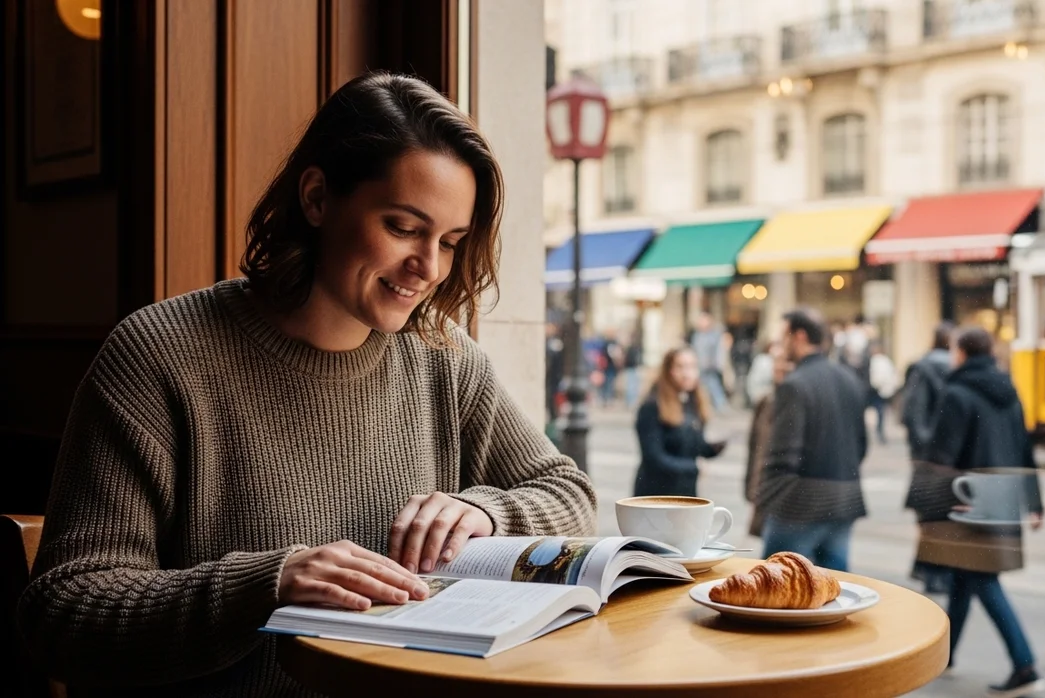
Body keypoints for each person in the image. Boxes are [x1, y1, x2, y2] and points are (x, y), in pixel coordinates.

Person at [16, 72, 598, 695]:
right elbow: (62, 612)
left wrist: (485, 511)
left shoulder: (444, 358)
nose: (428, 268)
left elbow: (571, 495)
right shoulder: (159, 357)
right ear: (318, 198)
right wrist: (265, 585)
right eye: (403, 228)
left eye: (450, 242)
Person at [920, 326, 1045, 698]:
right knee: (964, 578)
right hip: (1002, 497)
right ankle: (945, 656)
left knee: (983, 580)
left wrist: (929, 506)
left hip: (968, 501)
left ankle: (1025, 666)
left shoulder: (956, 392)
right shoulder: (1009, 391)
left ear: (961, 353)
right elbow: (1024, 449)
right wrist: (1035, 502)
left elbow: (942, 458)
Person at [756, 309, 870, 572]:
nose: (780, 343)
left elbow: (782, 455)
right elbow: (861, 444)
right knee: (833, 585)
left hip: (800, 505)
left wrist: (767, 498)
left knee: (777, 583)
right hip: (844, 499)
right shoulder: (849, 379)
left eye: (783, 336)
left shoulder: (794, 384)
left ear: (799, 336)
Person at [901, 321, 956, 595]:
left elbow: (912, 413)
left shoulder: (923, 368)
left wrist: (923, 449)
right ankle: (932, 568)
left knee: (930, 515)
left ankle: (929, 570)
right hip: (952, 455)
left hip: (929, 458)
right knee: (945, 515)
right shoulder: (957, 369)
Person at [632, 347, 726, 497]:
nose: (687, 373)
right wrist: (693, 468)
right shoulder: (653, 406)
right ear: (669, 370)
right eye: (681, 367)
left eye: (692, 366)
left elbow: (692, 445)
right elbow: (654, 457)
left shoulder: (693, 402)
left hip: (685, 491)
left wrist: (713, 448)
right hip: (656, 493)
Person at [745, 343, 794, 538]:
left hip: (788, 499)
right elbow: (754, 448)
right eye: (777, 361)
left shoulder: (800, 403)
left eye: (787, 362)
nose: (780, 367)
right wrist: (751, 488)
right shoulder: (766, 401)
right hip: (764, 490)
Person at [690, 312, 729, 411]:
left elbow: (718, 351)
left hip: (710, 366)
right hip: (699, 365)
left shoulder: (714, 335)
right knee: (702, 385)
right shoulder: (697, 335)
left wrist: (717, 364)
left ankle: (720, 404)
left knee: (713, 384)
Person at [867, 341, 898, 445]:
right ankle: (879, 432)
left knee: (879, 412)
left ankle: (879, 432)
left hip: (878, 390)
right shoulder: (884, 361)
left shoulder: (878, 361)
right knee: (880, 412)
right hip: (881, 390)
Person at [545, 321, 565, 431]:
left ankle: (553, 424)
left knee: (553, 400)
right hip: (549, 379)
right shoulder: (547, 342)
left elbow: (557, 362)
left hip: (554, 378)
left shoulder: (556, 343)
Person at [622, 333, 644, 410]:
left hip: (633, 368)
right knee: (631, 386)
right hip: (631, 368)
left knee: (633, 385)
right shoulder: (631, 349)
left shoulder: (635, 348)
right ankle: (630, 402)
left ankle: (631, 401)